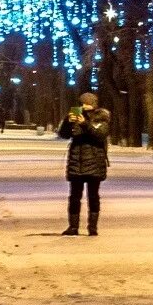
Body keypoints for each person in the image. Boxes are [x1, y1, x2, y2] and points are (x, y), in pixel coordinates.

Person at [61, 91, 110, 236]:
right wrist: (67, 122)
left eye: (88, 103)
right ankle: (73, 227)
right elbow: (63, 135)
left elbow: (100, 135)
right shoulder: (76, 116)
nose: (84, 105)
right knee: (74, 196)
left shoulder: (102, 117)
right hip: (77, 162)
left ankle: (92, 227)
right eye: (82, 103)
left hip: (95, 162)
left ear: (94, 104)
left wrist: (85, 124)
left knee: (93, 196)